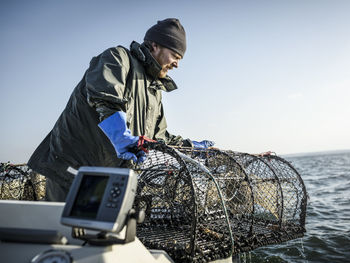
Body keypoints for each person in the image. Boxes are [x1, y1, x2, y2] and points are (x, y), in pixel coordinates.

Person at [28, 18, 214, 202]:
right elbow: (105, 100)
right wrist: (120, 135)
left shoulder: (154, 92)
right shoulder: (117, 58)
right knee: (65, 228)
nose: (177, 64)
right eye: (175, 56)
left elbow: (160, 138)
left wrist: (192, 147)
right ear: (155, 46)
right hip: (72, 170)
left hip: (106, 177)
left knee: (97, 230)